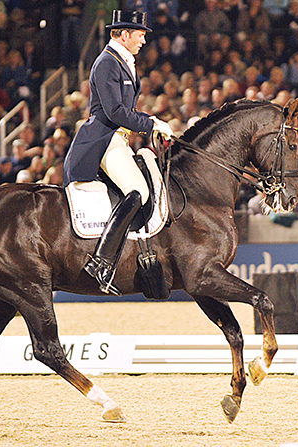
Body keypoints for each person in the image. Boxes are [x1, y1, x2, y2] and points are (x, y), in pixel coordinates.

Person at [62, 10, 174, 295]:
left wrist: (152, 125)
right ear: (124, 35)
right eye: (140, 35)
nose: (144, 41)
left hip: (119, 139)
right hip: (103, 139)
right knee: (138, 191)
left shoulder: (123, 63)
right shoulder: (107, 64)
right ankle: (101, 262)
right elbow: (114, 112)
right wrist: (150, 124)